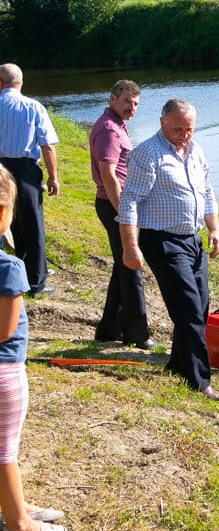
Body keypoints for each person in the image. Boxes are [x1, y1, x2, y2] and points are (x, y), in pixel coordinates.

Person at [117, 99, 219, 400]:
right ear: (162, 122)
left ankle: (178, 364)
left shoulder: (195, 150)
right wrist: (130, 247)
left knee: (199, 306)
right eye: (178, 128)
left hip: (192, 239)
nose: (184, 135)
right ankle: (199, 382)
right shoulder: (147, 154)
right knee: (187, 307)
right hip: (161, 240)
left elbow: (207, 191)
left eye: (189, 129)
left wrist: (214, 229)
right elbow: (130, 202)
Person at [0, 165, 66, 531]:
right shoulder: (9, 268)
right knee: (5, 450)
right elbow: (4, 330)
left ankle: (17, 504)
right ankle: (19, 522)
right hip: (5, 372)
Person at [89, 80, 155, 350]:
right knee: (131, 265)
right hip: (115, 206)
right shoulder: (108, 130)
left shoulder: (116, 125)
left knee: (121, 265)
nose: (132, 107)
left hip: (118, 205)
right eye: (127, 101)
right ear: (112, 98)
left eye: (136, 103)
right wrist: (125, 215)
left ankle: (108, 328)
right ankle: (137, 335)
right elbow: (109, 176)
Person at [0, 64, 59, 297]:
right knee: (33, 225)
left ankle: (16, 273)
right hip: (25, 169)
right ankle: (36, 282)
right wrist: (53, 177)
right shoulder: (33, 107)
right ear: (20, 82)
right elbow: (47, 146)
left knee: (8, 221)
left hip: (0, 169)